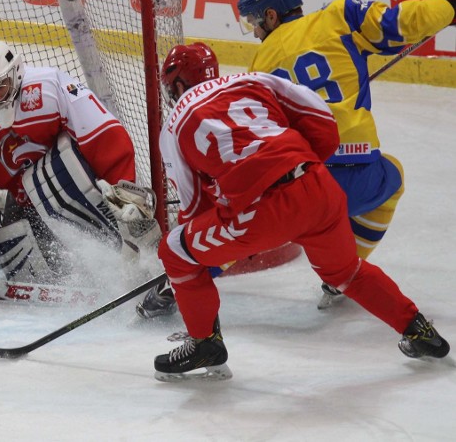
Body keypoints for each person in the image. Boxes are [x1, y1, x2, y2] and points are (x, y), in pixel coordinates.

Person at [143, 44, 448, 381]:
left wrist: (241, 220)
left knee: (175, 251)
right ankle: (419, 332)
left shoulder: (173, 125)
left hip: (263, 211)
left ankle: (205, 344)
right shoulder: (254, 81)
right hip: (320, 188)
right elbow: (323, 125)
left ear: (178, 85)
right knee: (347, 273)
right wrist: (297, 174)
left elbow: (195, 210)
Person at [237, 0, 456, 308]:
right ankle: (343, 275)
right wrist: (446, 7)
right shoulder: (340, 16)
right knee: (393, 177)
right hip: (361, 179)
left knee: (246, 225)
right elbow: (404, 22)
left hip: (304, 190)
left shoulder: (261, 61)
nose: (254, 30)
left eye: (255, 19)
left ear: (271, 14)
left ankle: (189, 273)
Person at [0, 39, 160, 307]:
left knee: (50, 183)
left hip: (74, 184)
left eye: (0, 87)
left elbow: (103, 136)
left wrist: (123, 195)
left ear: (16, 73)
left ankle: (135, 261)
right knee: (20, 263)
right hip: (25, 202)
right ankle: (93, 273)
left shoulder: (48, 86)